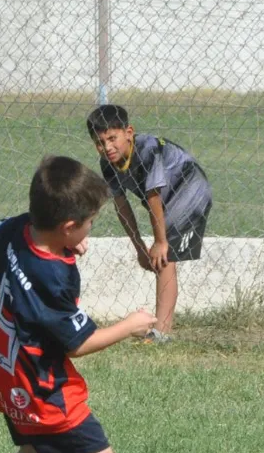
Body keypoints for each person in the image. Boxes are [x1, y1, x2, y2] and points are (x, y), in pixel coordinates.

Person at [0, 155, 156, 453]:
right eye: (89, 222)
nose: (89, 229)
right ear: (68, 225)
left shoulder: (19, 231)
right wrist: (130, 325)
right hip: (41, 385)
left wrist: (62, 240)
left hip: (6, 373)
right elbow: (79, 342)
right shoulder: (54, 275)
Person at [86, 104, 213, 343]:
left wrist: (160, 242)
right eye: (100, 142)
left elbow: (153, 196)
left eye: (112, 138)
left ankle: (161, 334)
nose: (107, 147)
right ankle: (160, 331)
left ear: (129, 132)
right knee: (162, 256)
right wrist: (139, 249)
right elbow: (122, 207)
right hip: (167, 200)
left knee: (165, 257)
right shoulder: (108, 164)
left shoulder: (147, 150)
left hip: (190, 188)